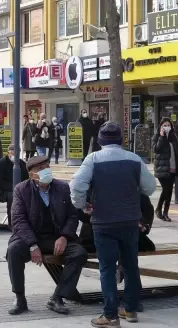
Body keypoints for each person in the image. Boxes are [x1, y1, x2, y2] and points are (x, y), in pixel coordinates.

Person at [70, 122, 157, 325]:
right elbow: (150, 187)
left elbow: (76, 185)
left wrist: (83, 205)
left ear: (100, 141)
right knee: (131, 266)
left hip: (104, 222)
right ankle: (130, 310)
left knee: (107, 269)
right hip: (129, 221)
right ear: (120, 140)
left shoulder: (93, 159)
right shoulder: (134, 159)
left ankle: (110, 315)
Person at [6, 155, 88, 316]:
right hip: (30, 237)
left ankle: (57, 297)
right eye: (40, 168)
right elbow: (18, 220)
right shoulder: (21, 190)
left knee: (79, 253)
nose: (45, 171)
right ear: (31, 174)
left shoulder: (62, 187)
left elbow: (72, 215)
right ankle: (20, 298)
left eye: (47, 166)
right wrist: (32, 244)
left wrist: (64, 236)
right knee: (13, 251)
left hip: (56, 237)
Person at [152, 117, 178, 222]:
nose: (167, 127)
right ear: (161, 126)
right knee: (166, 190)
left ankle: (165, 212)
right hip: (162, 168)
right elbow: (156, 149)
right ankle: (158, 209)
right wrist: (161, 137)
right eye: (164, 125)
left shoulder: (175, 136)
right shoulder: (156, 136)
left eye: (168, 125)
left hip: (173, 167)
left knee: (169, 192)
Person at [0, 144, 29, 227]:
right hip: (3, 190)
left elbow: (26, 178)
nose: (14, 155)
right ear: (8, 153)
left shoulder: (22, 164)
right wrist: (15, 188)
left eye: (16, 153)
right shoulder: (1, 163)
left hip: (18, 188)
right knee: (12, 197)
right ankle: (12, 224)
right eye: (12, 153)